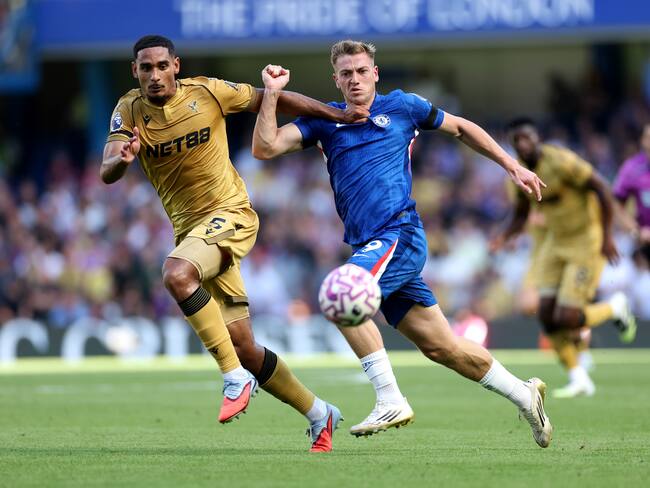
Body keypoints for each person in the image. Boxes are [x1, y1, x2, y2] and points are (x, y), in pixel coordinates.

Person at [252, 40, 553, 448]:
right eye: (346, 73)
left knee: (340, 295)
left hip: (398, 233)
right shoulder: (325, 120)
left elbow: (462, 127)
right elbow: (265, 147)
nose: (355, 79)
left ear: (375, 73)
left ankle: (389, 398)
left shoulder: (402, 107)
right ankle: (524, 393)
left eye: (361, 71)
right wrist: (271, 94)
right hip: (371, 245)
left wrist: (512, 165)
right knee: (442, 347)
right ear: (336, 80)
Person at [100, 35, 367, 452]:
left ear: (176, 65)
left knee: (176, 273)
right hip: (193, 233)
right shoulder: (127, 109)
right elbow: (107, 169)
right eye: (145, 68)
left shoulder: (208, 91)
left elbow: (273, 98)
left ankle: (232, 377)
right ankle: (319, 413)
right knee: (244, 347)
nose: (154, 75)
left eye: (161, 66)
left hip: (231, 215)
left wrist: (338, 115)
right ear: (135, 71)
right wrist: (122, 160)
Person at [493, 117, 637, 398]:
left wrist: (607, 236)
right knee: (546, 317)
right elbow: (521, 213)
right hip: (556, 243)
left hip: (586, 239)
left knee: (568, 315)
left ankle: (615, 307)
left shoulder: (561, 162)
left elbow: (601, 189)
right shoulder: (517, 173)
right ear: (513, 144)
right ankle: (579, 376)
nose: (523, 144)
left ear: (538, 139)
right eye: (517, 140)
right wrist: (504, 236)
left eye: (528, 138)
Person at [613, 123, 650, 267]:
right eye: (648, 137)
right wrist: (635, 231)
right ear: (642, 141)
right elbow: (616, 205)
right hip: (642, 243)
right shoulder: (632, 168)